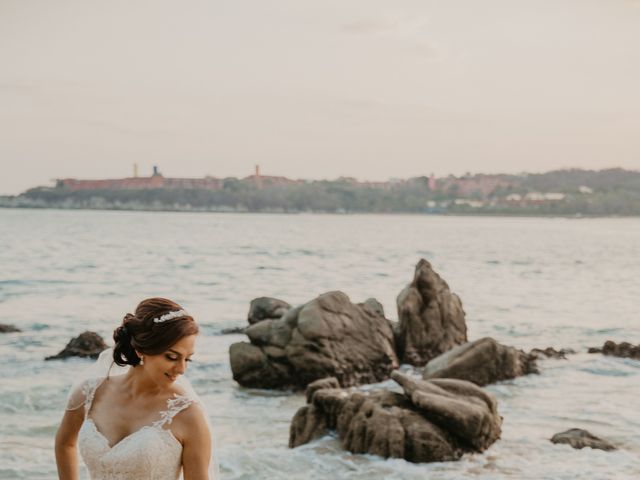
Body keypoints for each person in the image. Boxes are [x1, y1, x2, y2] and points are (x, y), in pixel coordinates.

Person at [55, 298, 215, 479]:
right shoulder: (90, 393)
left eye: (187, 359)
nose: (181, 369)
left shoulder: (189, 414)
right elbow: (65, 444)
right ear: (140, 350)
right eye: (171, 357)